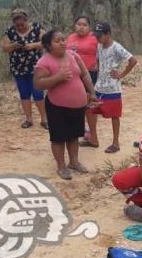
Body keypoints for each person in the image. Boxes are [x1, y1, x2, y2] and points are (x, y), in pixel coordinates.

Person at [33, 30, 97, 180]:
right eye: (57, 41)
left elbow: (85, 74)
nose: (62, 43)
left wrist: (92, 93)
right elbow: (38, 84)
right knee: (58, 138)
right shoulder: (44, 62)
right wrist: (57, 77)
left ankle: (74, 162)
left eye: (63, 40)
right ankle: (61, 166)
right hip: (57, 106)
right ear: (48, 45)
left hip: (78, 106)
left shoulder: (73, 55)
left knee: (74, 135)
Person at [82, 21, 138, 153]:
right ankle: (93, 139)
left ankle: (116, 143)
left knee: (114, 116)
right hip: (99, 87)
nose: (97, 38)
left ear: (108, 34)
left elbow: (133, 60)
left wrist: (121, 74)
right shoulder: (100, 46)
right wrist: (98, 69)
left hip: (112, 89)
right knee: (90, 110)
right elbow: (98, 60)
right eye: (96, 35)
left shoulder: (116, 47)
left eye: (100, 35)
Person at [0, 8, 47, 129]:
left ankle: (44, 119)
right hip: (18, 68)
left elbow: (46, 42)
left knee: (38, 93)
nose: (20, 27)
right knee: (24, 93)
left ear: (27, 21)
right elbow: (5, 48)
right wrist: (13, 46)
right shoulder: (10, 31)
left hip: (36, 68)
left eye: (22, 24)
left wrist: (32, 45)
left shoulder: (37, 28)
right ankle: (28, 119)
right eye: (17, 25)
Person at [66, 16, 99, 84]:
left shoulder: (95, 37)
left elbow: (102, 54)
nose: (81, 27)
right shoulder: (70, 37)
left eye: (85, 25)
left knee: (88, 94)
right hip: (72, 72)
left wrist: (98, 67)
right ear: (74, 26)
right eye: (79, 24)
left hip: (90, 73)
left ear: (89, 27)